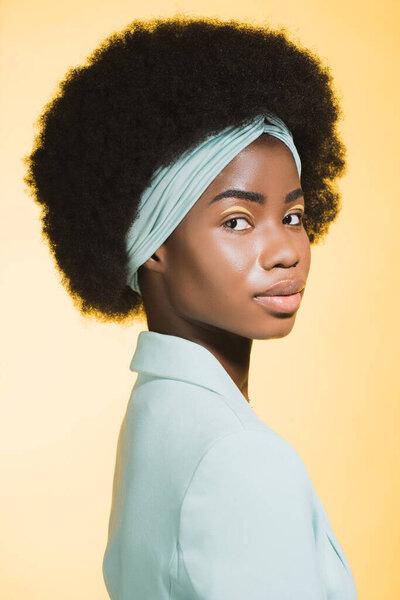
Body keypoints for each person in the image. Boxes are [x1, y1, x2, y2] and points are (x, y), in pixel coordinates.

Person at [24, 15, 357, 599]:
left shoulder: (156, 412)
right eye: (237, 221)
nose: (285, 251)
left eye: (294, 216)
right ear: (152, 244)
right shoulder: (241, 459)